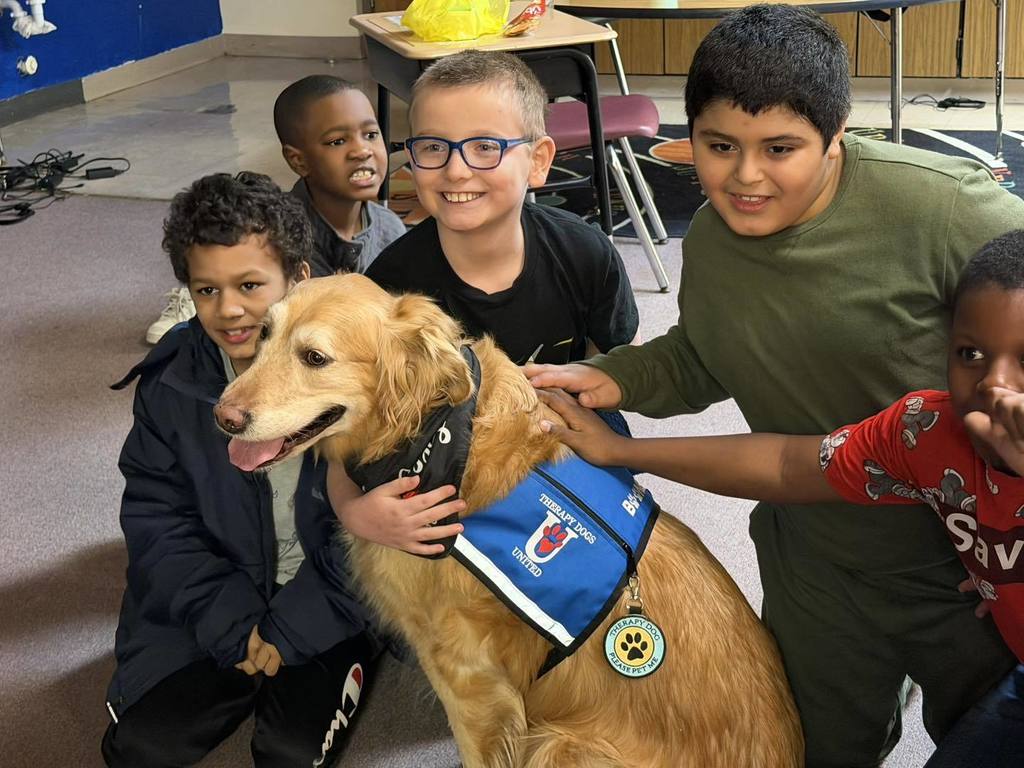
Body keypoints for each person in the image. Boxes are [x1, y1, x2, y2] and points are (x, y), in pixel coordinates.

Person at [522, 5, 1024, 766]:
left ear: (838, 134)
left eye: (780, 148)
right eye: (719, 147)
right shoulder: (719, 237)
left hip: (964, 570)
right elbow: (706, 355)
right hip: (814, 562)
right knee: (809, 748)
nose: (745, 177)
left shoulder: (948, 206)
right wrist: (610, 378)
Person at [537, 229, 1024, 768]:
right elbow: (787, 463)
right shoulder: (924, 429)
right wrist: (618, 450)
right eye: (971, 353)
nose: (995, 385)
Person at [103, 172, 377, 768]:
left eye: (251, 285)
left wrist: (297, 626)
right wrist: (226, 619)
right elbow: (155, 514)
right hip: (214, 591)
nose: (228, 311)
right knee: (141, 750)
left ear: (299, 279)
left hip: (324, 598)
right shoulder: (171, 382)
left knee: (287, 752)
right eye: (205, 290)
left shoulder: (354, 379)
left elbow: (375, 533)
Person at [327, 49, 639, 556]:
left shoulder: (585, 252)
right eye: (433, 147)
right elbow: (354, 424)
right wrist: (350, 510)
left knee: (621, 556)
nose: (455, 170)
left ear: (538, 161)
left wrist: (596, 399)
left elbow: (627, 363)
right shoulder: (391, 287)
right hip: (445, 467)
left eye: (485, 147)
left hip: (559, 436)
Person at [143, 75, 405, 343]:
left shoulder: (391, 228)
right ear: (298, 161)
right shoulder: (275, 238)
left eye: (371, 135)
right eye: (337, 141)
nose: (361, 150)